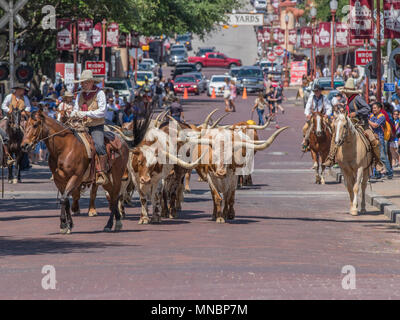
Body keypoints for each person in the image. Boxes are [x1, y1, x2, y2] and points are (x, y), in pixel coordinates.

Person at [323, 78, 384, 172]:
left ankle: (377, 162)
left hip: (361, 124)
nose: (345, 93)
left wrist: (356, 113)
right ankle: (331, 158)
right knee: (336, 136)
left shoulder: (357, 98)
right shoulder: (348, 99)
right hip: (349, 124)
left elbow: (367, 108)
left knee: (373, 140)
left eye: (346, 92)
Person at [71, 70, 109, 185]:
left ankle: (101, 172)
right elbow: (76, 108)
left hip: (95, 125)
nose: (83, 85)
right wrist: (74, 114)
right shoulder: (79, 95)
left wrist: (86, 113)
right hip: (81, 126)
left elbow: (102, 111)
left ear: (92, 82)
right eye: (82, 83)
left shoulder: (100, 93)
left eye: (85, 83)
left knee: (99, 145)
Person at [301, 84, 332, 151]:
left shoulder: (324, 98)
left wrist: (327, 114)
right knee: (305, 128)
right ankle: (306, 142)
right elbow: (307, 108)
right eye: (315, 91)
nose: (316, 92)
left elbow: (329, 107)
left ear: (320, 91)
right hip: (313, 116)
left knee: (331, 126)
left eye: (317, 91)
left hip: (322, 116)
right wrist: (307, 114)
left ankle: (332, 142)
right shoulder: (311, 98)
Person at [369, 102, 393, 179]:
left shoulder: (382, 116)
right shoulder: (371, 115)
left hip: (379, 139)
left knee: (382, 157)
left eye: (375, 108)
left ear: (379, 109)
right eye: (373, 108)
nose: (374, 109)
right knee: (374, 157)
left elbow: (375, 125)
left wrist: (367, 121)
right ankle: (377, 174)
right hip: (372, 138)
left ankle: (389, 172)